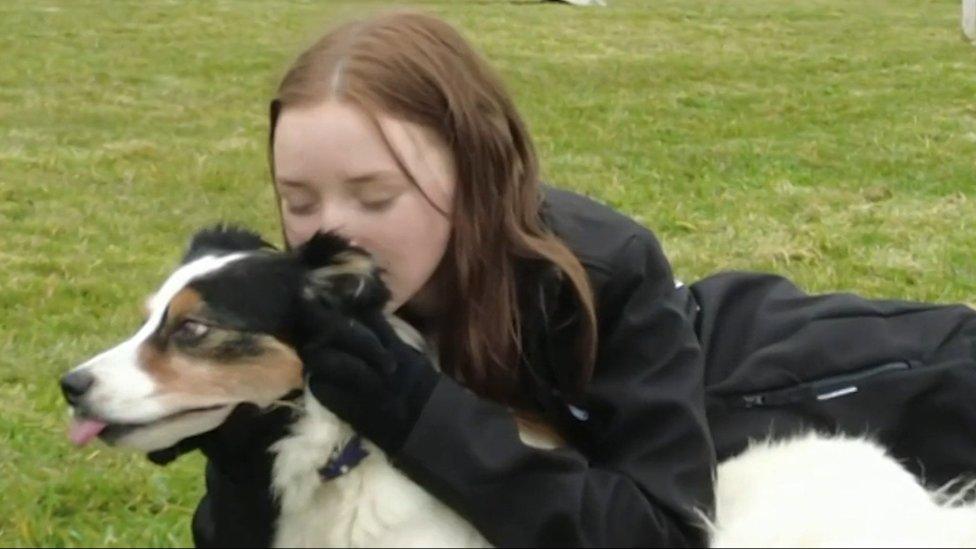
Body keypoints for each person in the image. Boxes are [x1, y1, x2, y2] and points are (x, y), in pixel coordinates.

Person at [155, 10, 976, 548]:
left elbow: (659, 530)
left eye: (375, 195)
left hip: (771, 380)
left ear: (471, 171)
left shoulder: (598, 266)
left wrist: (421, 413)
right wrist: (239, 459)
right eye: (297, 201)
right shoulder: (305, 307)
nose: (331, 228)